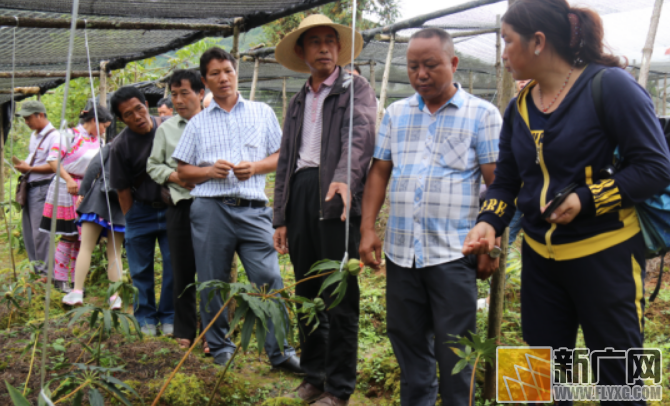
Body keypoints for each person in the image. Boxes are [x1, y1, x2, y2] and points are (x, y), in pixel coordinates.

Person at [462, 1, 670, 404]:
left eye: (507, 41)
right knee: (541, 384)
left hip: (606, 258)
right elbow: (506, 182)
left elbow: (656, 167)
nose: (502, 52)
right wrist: (489, 223)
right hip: (540, 262)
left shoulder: (610, 86)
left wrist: (587, 199)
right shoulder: (519, 107)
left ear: (538, 41)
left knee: (621, 384)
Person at [359, 28, 502, 406]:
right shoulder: (396, 113)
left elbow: (498, 183)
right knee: (406, 341)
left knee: (456, 349)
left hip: (454, 254)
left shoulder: (482, 115)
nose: (421, 74)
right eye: (413, 66)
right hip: (402, 252)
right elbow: (379, 171)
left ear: (452, 64)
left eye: (430, 65)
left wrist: (495, 241)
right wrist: (368, 228)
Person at [172, 47, 300, 372]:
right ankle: (220, 348)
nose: (223, 78)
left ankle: (281, 351)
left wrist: (256, 167)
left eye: (227, 70)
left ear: (235, 72)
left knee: (269, 278)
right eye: (214, 74)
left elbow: (280, 156)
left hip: (254, 209)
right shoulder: (197, 124)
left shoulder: (261, 112)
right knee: (212, 281)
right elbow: (183, 171)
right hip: (211, 209)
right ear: (205, 81)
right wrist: (208, 172)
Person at [273, 15, 377, 406]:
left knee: (339, 293)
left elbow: (360, 138)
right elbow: (286, 161)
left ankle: (338, 386)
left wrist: (344, 179)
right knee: (306, 289)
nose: (323, 48)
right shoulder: (299, 100)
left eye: (330, 41)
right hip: (301, 193)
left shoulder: (355, 89)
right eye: (314, 42)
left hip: (337, 194)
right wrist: (279, 216)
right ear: (301, 52)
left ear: (339, 47)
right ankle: (314, 374)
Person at [109, 86, 174, 337]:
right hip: (141, 212)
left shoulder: (169, 127)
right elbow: (122, 189)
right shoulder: (120, 146)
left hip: (173, 211)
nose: (137, 116)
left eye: (139, 108)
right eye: (128, 114)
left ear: (147, 104)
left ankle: (170, 315)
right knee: (140, 269)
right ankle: (145, 317)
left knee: (173, 266)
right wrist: (132, 218)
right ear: (120, 119)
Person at [147, 69, 203, 349]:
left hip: (212, 205)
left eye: (185, 93)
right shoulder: (166, 128)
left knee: (211, 269)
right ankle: (184, 330)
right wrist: (177, 177)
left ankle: (211, 330)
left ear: (200, 93)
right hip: (180, 206)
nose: (179, 100)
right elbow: (153, 165)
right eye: (174, 94)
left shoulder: (213, 123)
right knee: (181, 269)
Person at [38, 106, 112, 293]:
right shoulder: (69, 136)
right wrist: (69, 179)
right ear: (95, 121)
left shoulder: (98, 141)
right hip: (66, 186)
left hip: (85, 189)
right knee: (68, 234)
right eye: (104, 126)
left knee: (82, 237)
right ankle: (60, 277)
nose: (105, 130)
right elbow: (53, 159)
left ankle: (75, 280)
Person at [62, 129, 126, 308]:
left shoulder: (110, 146)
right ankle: (115, 298)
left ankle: (77, 292)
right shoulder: (136, 150)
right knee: (115, 252)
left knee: (86, 248)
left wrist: (83, 192)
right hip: (120, 202)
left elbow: (93, 166)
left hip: (98, 200)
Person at [13, 101, 57, 280]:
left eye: (28, 117)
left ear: (40, 114)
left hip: (43, 188)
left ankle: (48, 274)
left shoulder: (55, 137)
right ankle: (35, 270)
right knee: (29, 232)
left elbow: (55, 165)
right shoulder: (35, 136)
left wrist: (29, 169)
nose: (26, 122)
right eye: (24, 118)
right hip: (30, 188)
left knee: (41, 233)